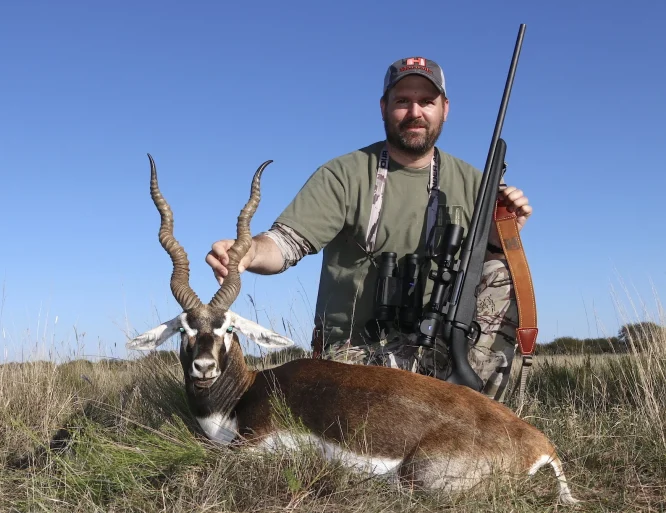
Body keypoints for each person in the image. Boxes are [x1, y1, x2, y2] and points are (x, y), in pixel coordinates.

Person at [205, 57, 532, 402]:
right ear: (383, 107)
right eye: (402, 101)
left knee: (501, 273)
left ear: (445, 109)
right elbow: (285, 243)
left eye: (426, 102)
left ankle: (482, 409)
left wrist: (499, 241)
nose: (415, 112)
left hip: (437, 345)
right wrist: (249, 252)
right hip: (355, 355)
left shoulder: (476, 184)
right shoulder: (343, 174)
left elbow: (483, 272)